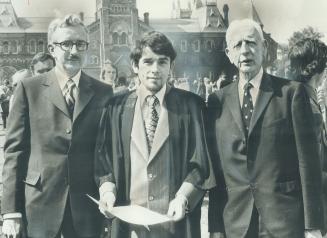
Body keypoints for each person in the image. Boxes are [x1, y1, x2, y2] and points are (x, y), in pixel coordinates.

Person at [208, 19, 324, 238]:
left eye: (251, 43)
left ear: (264, 48)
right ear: (228, 53)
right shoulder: (217, 101)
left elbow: (308, 164)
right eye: (238, 45)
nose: (245, 51)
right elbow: (218, 170)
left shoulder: (291, 94)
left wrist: (312, 225)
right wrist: (215, 227)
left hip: (284, 222)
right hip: (236, 224)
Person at [1, 14, 113, 238]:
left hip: (87, 207)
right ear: (52, 48)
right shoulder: (29, 89)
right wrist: (11, 212)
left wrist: (107, 187)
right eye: (66, 44)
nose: (74, 51)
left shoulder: (103, 92)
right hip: (39, 204)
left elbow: (106, 150)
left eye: (80, 44)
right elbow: (15, 151)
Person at [95, 31, 215, 238]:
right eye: (147, 62)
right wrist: (107, 191)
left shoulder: (191, 106)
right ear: (135, 66)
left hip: (173, 223)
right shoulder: (116, 107)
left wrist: (183, 198)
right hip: (129, 224)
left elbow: (201, 163)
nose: (155, 70)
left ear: (171, 66)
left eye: (162, 62)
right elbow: (103, 159)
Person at [288, 38, 327, 236]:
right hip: (310, 202)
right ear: (318, 67)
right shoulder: (301, 98)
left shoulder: (307, 94)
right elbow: (307, 160)